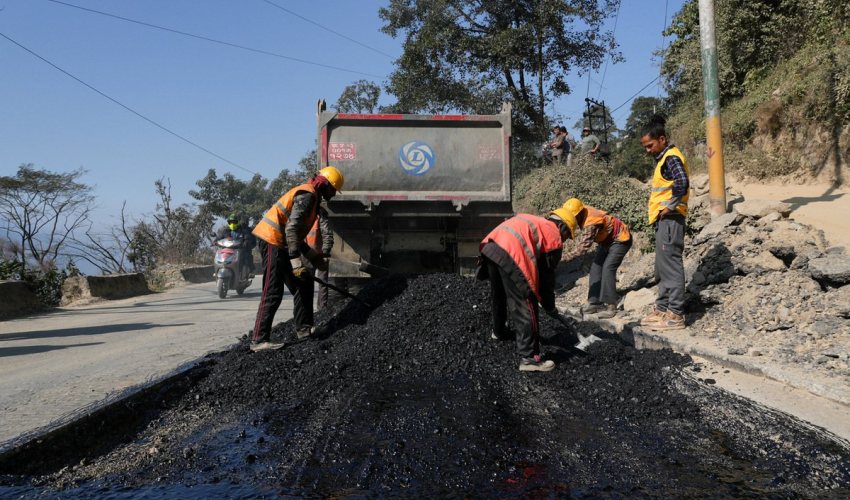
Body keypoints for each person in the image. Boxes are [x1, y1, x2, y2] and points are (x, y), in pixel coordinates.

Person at [250, 166, 345, 351]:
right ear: (324, 184)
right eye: (333, 189)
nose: (334, 194)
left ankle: (305, 329)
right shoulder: (307, 196)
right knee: (272, 291)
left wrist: (312, 256)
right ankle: (258, 340)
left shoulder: (314, 199)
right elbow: (291, 230)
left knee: (304, 283)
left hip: (281, 242)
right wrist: (296, 261)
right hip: (272, 240)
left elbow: (296, 236)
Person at [477, 209, 578, 372]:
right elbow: (546, 279)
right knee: (527, 302)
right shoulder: (553, 236)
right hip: (510, 252)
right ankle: (530, 358)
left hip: (490, 246)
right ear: (560, 226)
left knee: (499, 294)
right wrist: (549, 306)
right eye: (567, 235)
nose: (565, 240)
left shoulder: (536, 222)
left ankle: (499, 331)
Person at [639, 116, 689, 331]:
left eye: (650, 145)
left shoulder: (671, 157)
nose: (648, 150)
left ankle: (675, 314)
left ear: (662, 139)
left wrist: (669, 206)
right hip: (664, 221)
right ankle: (663, 308)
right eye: (645, 147)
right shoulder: (664, 159)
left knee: (671, 266)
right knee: (661, 267)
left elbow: (682, 183)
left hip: (670, 219)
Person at [560, 198, 632, 319]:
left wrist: (561, 259)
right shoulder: (582, 211)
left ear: (579, 214)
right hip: (606, 242)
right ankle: (594, 302)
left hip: (620, 239)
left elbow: (581, 250)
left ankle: (612, 305)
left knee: (608, 268)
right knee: (595, 269)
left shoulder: (591, 223)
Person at [305, 206, 333, 311]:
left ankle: (322, 310)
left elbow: (327, 235)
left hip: (320, 256)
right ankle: (307, 311)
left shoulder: (320, 214)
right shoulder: (302, 214)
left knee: (323, 283)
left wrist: (325, 253)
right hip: (306, 256)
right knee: (307, 284)